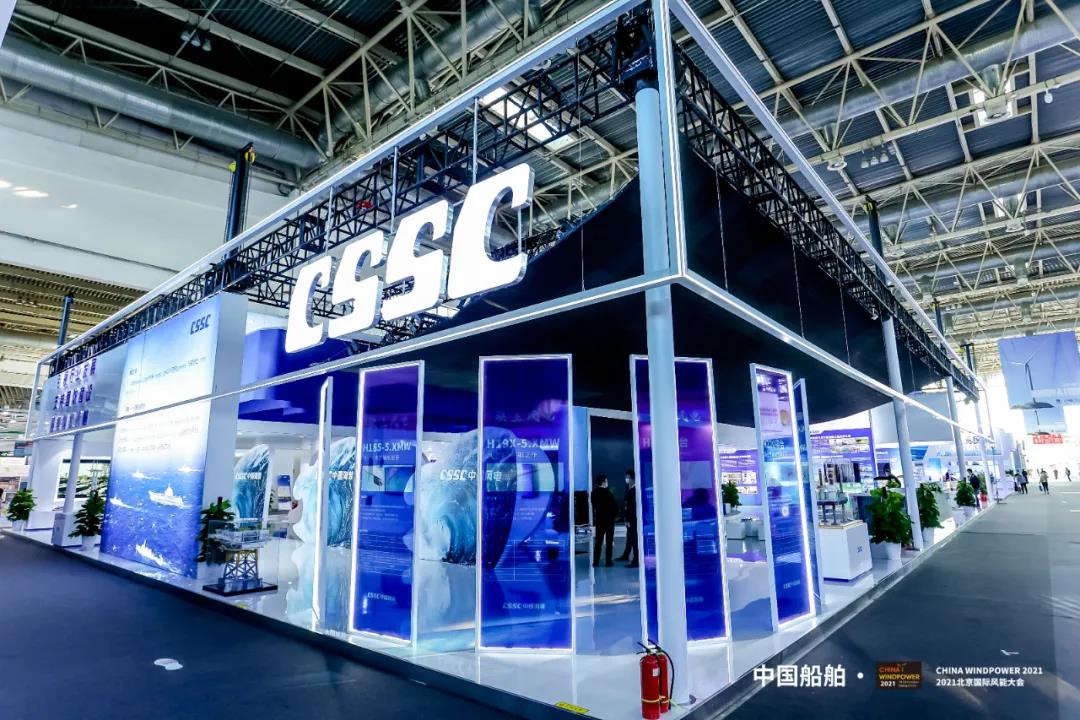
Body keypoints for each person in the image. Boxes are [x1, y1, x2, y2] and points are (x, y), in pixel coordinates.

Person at [591, 475, 618, 568]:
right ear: (603, 482)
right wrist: (614, 515)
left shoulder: (593, 493)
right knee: (609, 541)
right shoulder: (608, 493)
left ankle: (596, 561)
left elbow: (594, 505)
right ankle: (608, 561)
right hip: (609, 520)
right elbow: (614, 506)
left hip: (599, 520)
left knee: (598, 541)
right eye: (606, 481)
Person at [615, 469, 638, 566]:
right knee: (629, 538)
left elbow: (633, 507)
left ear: (632, 478)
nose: (626, 479)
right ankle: (626, 555)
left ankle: (636, 560)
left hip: (634, 518)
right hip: (629, 517)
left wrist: (629, 519)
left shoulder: (636, 490)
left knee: (634, 539)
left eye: (628, 477)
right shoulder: (628, 488)